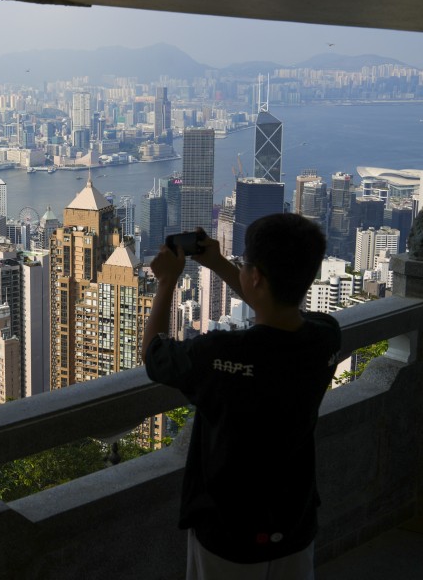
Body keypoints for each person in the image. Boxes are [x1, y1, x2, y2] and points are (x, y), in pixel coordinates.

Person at [141, 214, 341, 580]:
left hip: (227, 525)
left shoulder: (220, 353)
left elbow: (154, 356)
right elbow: (277, 308)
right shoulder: (325, 337)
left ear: (256, 277)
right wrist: (218, 262)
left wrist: (167, 282)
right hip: (294, 520)